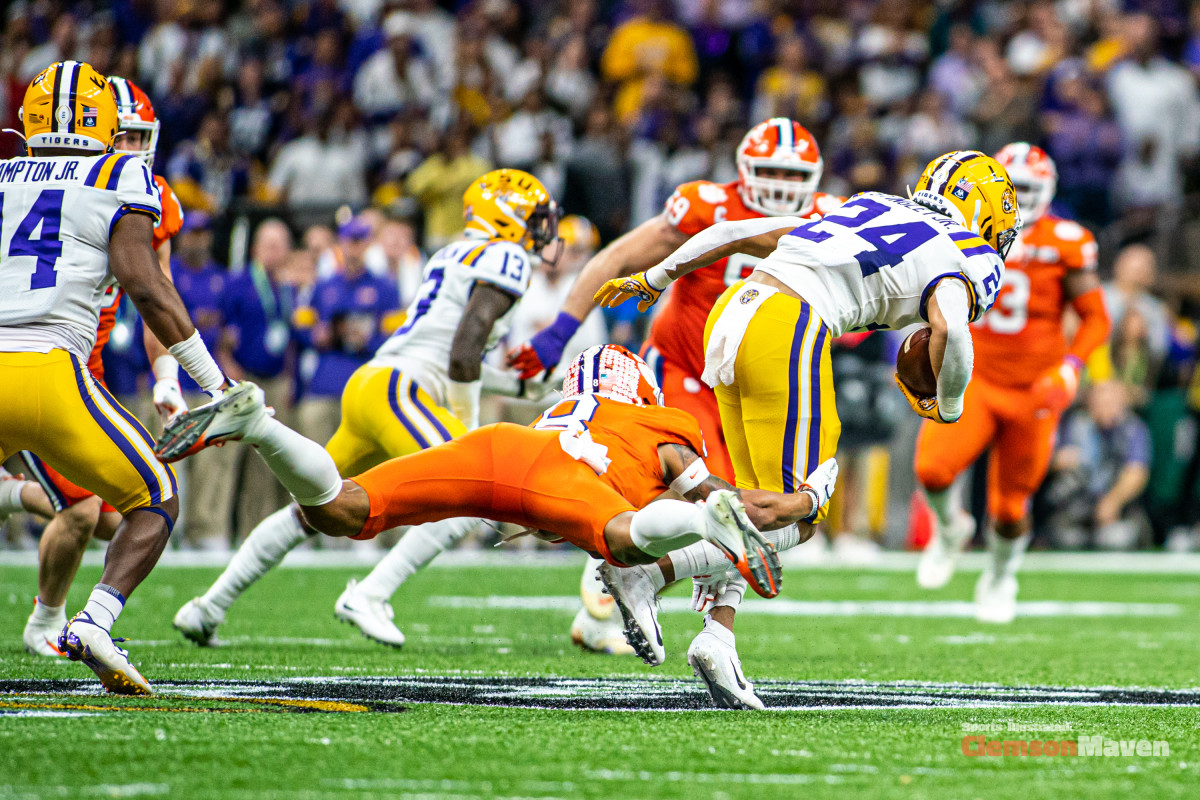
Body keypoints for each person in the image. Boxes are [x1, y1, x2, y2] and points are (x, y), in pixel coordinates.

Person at [594, 149, 1019, 708]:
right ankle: (648, 572)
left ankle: (718, 636)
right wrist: (950, 404)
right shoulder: (970, 252)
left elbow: (734, 230)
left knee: (752, 505)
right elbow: (953, 330)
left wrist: (655, 277)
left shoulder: (871, 204)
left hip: (732, 311)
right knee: (802, 511)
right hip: (790, 325)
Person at [171, 170, 558, 648]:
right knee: (470, 493)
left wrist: (525, 386)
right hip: (400, 389)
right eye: (537, 218)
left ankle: (208, 607)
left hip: (377, 385)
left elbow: (451, 354)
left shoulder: (455, 252)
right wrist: (470, 429)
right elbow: (462, 352)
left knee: (313, 507)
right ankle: (371, 594)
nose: (544, 231)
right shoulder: (506, 255)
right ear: (509, 216)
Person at [508, 118, 844, 660]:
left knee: (743, 500)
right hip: (686, 367)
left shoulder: (832, 217)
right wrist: (560, 329)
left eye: (791, 172)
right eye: (771, 170)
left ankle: (657, 611)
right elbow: (617, 257)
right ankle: (609, 586)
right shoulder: (707, 205)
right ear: (743, 169)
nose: (781, 183)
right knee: (695, 492)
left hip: (757, 378)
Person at [157, 346, 837, 612]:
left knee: (345, 508)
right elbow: (726, 496)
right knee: (623, 542)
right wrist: (805, 497)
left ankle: (257, 426)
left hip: (497, 447)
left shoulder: (562, 406)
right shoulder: (658, 420)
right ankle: (697, 530)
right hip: (555, 475)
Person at [0, 61, 230, 694]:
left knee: (85, 508)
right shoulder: (120, 172)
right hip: (49, 372)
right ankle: (93, 622)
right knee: (154, 498)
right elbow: (147, 286)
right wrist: (211, 383)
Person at [913, 144, 1111, 623]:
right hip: (975, 376)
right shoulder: (957, 232)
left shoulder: (1066, 241)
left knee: (1009, 507)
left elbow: (1095, 319)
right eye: (1013, 189)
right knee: (933, 471)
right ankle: (951, 526)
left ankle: (1001, 575)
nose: (1021, 198)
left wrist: (1070, 366)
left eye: (1029, 190)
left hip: (1034, 388)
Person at [219, 219, 296, 538]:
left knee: (270, 461)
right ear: (255, 249)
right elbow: (220, 333)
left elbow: (292, 336)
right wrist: (227, 369)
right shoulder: (238, 283)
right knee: (229, 458)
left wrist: (291, 377)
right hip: (244, 380)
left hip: (277, 380)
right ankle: (217, 529)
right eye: (269, 244)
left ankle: (259, 529)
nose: (274, 251)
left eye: (280, 245)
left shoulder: (288, 287)